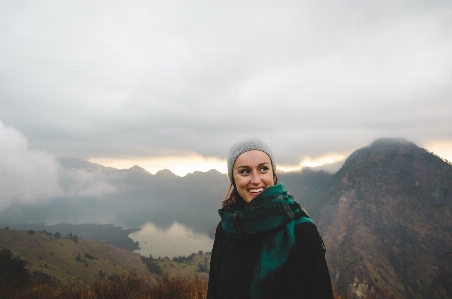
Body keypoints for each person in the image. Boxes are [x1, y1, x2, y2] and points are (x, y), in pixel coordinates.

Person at [207, 138, 334, 299]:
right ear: (233, 179)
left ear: (273, 175)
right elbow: (215, 291)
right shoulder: (226, 229)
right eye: (244, 171)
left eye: (263, 169)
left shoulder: (302, 231)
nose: (256, 180)